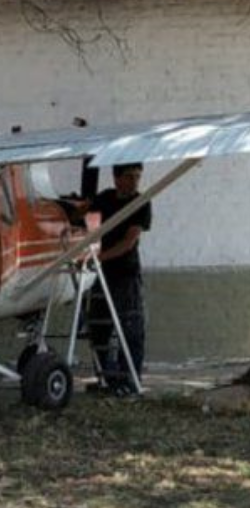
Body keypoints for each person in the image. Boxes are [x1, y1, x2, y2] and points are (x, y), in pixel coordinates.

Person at [87, 163, 151, 393]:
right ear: (116, 178)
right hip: (101, 275)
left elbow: (129, 242)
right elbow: (88, 221)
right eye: (129, 176)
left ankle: (130, 381)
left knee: (129, 327)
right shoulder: (104, 199)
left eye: (137, 176)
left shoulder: (141, 202)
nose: (134, 181)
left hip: (125, 274)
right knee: (98, 327)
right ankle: (106, 378)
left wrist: (99, 257)